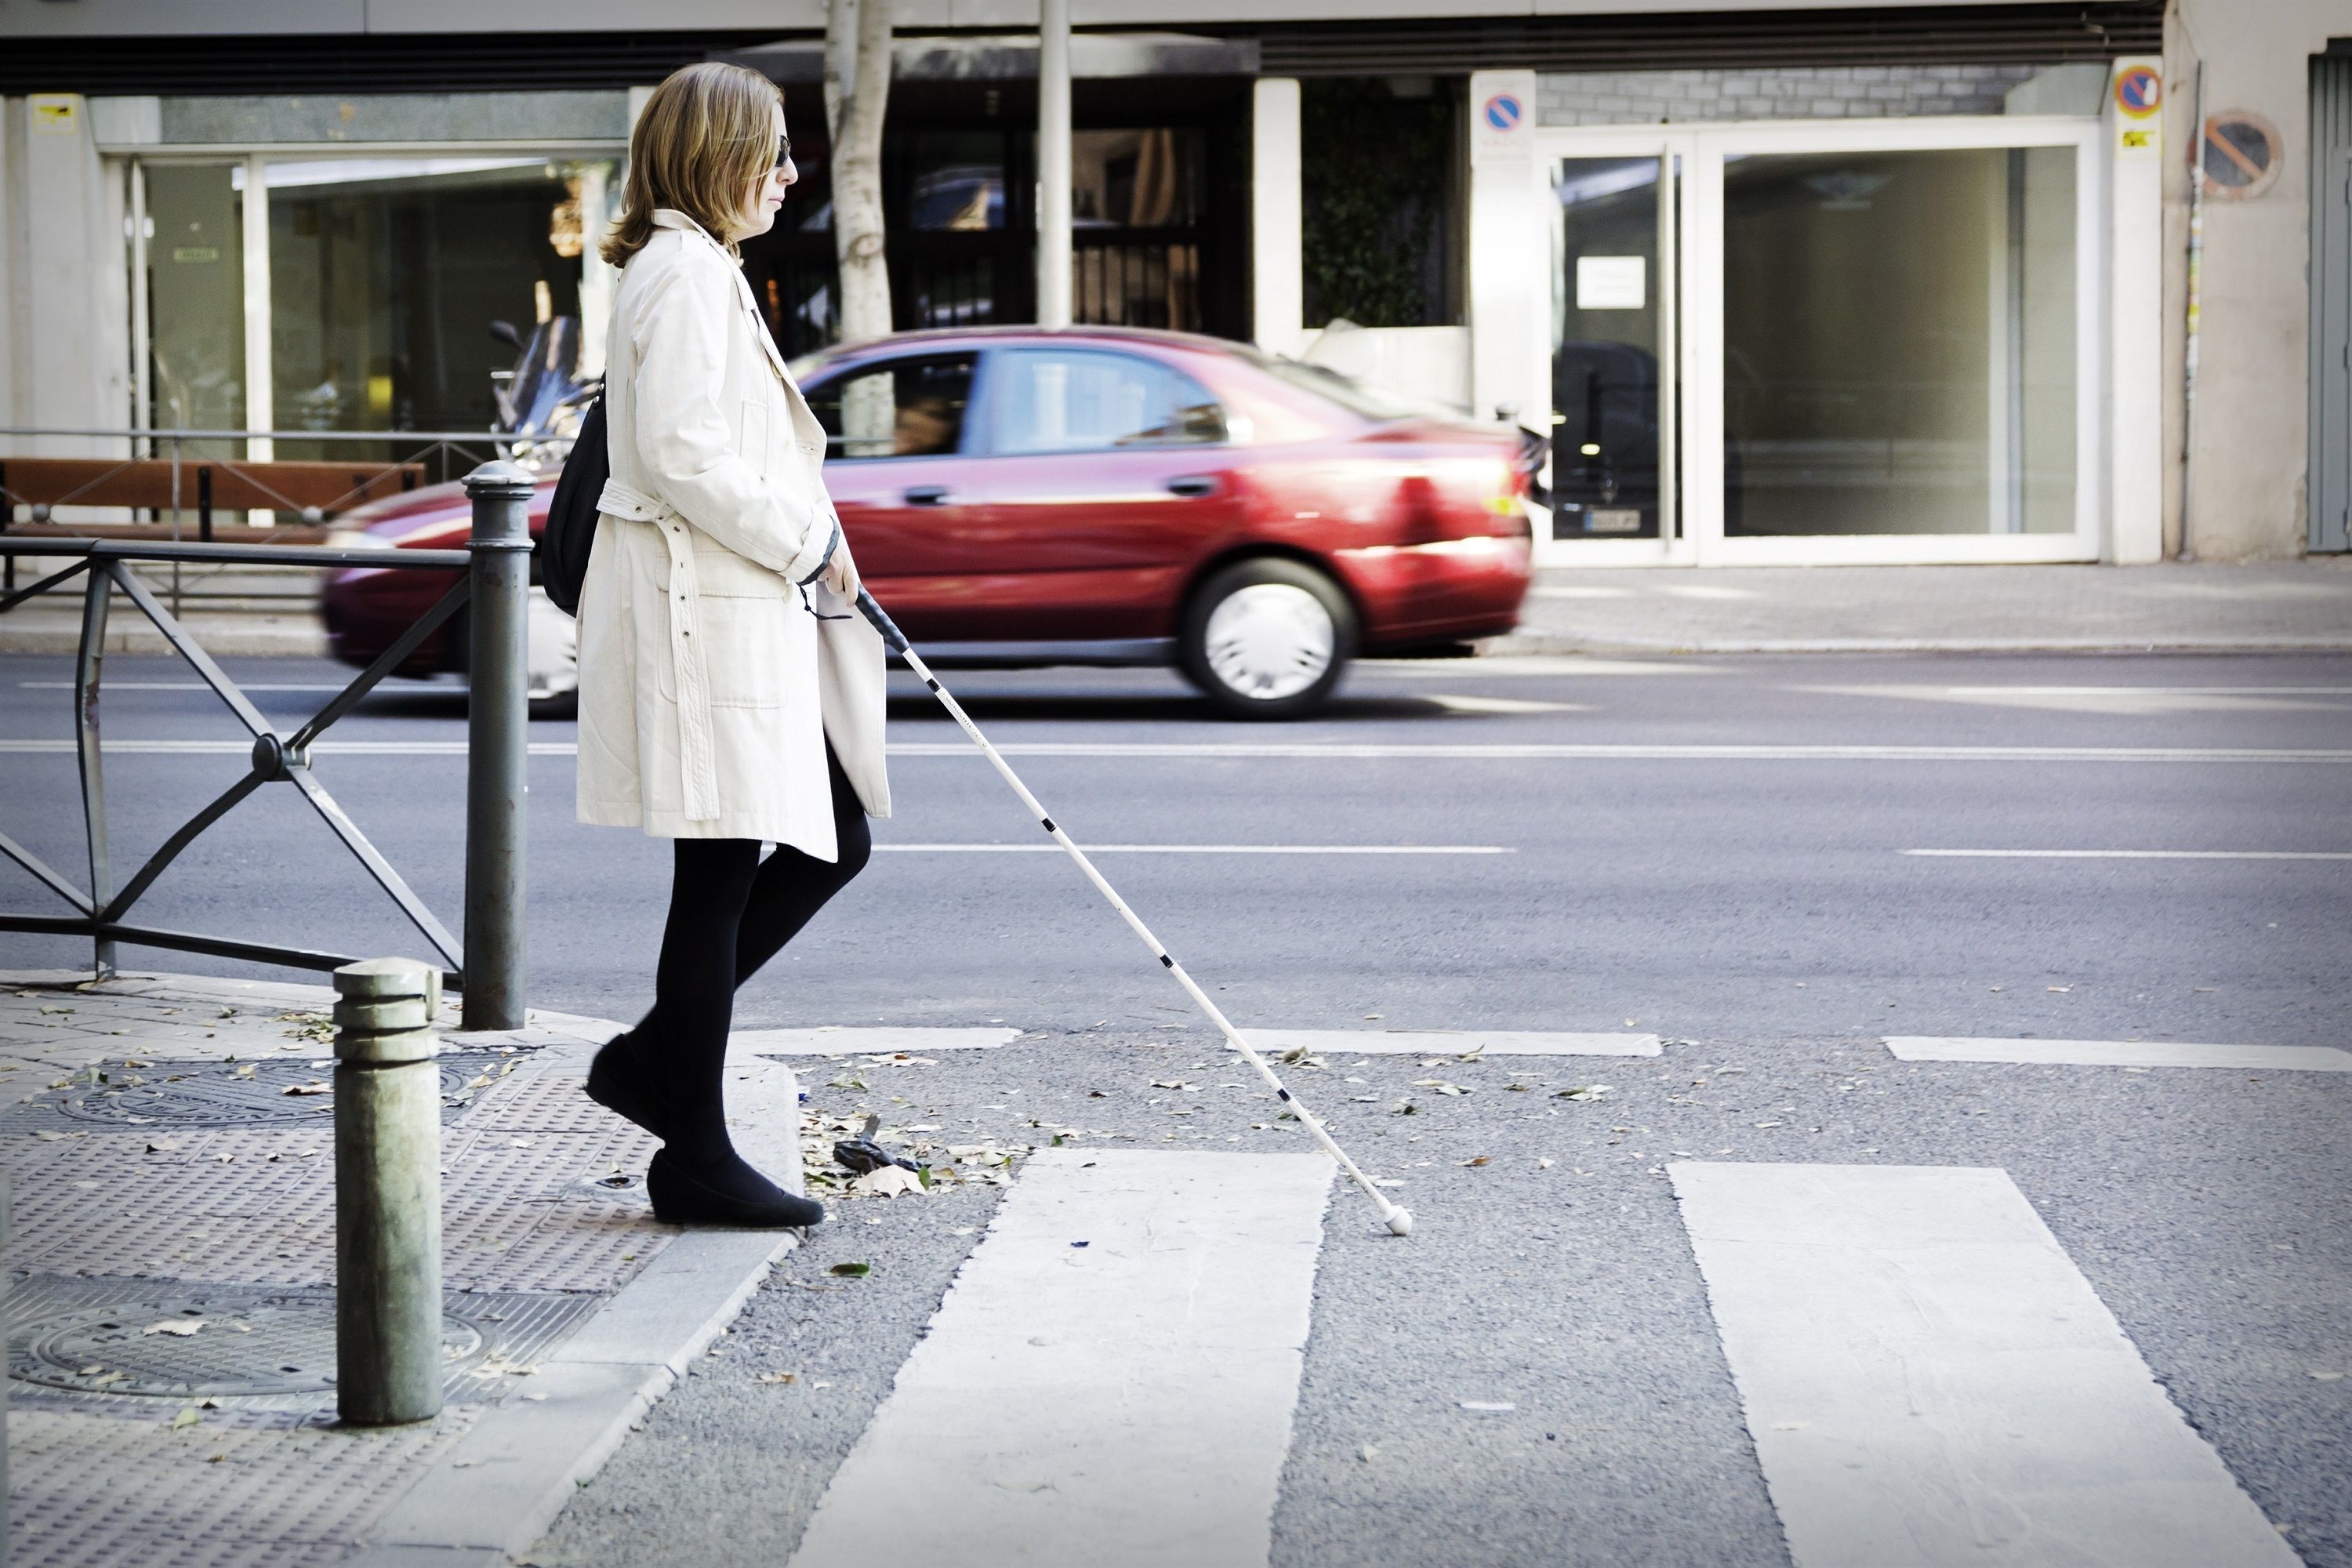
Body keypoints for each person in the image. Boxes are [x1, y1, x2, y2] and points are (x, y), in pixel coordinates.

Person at [574, 61, 889, 1229]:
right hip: (702, 609)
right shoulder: (687, 276)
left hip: (714, 605)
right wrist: (810, 541)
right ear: (718, 157)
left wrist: (814, 540)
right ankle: (689, 1142)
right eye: (775, 153)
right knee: (735, 867)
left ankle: (664, 1081)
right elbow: (688, 453)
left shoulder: (689, 269)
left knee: (806, 842)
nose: (792, 175)